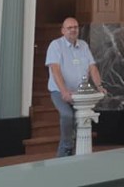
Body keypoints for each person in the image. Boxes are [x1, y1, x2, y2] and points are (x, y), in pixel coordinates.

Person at [46, 17, 107, 157]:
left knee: (79, 120)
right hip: (59, 91)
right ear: (63, 31)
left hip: (80, 93)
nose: (73, 30)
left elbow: (93, 68)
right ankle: (67, 146)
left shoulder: (84, 45)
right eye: (69, 28)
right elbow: (55, 70)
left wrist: (99, 86)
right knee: (67, 116)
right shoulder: (55, 46)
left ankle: (74, 152)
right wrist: (64, 91)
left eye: (75, 27)